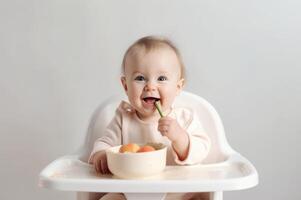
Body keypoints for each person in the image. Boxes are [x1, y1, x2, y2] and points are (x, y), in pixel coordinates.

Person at [89, 36, 211, 200]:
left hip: (176, 191)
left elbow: (201, 149)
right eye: (140, 78)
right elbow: (105, 142)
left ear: (178, 87)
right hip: (130, 192)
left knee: (200, 194)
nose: (150, 86)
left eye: (161, 78)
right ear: (126, 86)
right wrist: (102, 154)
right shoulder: (123, 118)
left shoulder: (183, 118)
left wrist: (180, 137)